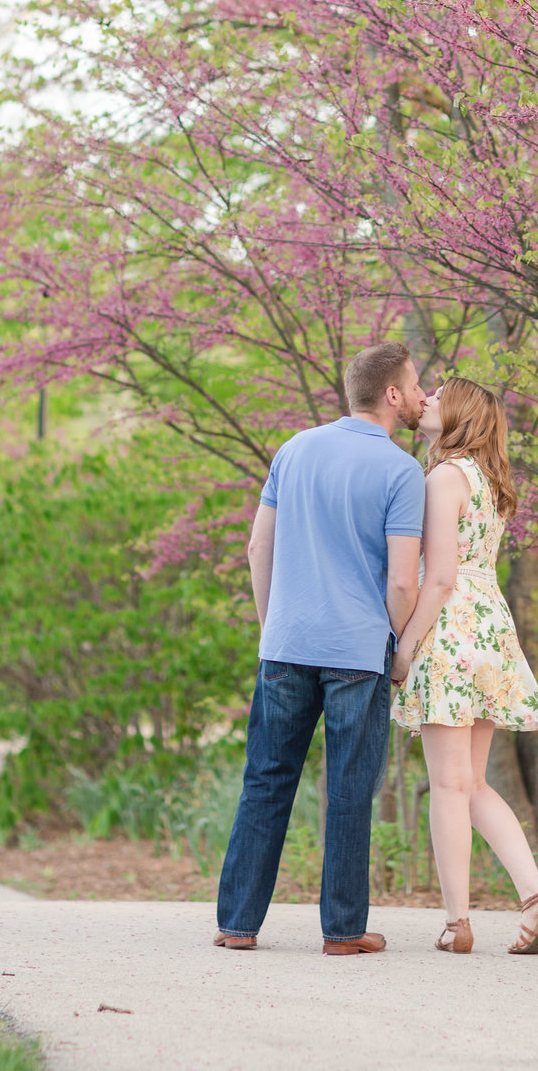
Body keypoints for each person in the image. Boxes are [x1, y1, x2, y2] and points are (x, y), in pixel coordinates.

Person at [214, 341, 427, 956]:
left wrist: (270, 625)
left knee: (266, 779)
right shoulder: (400, 471)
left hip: (285, 643)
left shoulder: (294, 449)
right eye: (414, 386)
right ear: (391, 394)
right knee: (349, 788)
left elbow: (259, 551)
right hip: (357, 652)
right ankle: (342, 931)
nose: (420, 396)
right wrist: (398, 641)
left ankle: (237, 923)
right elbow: (403, 580)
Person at [392, 376, 538, 955]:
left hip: (451, 629)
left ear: (460, 414)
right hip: (490, 630)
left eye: (438, 396)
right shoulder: (489, 481)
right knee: (470, 783)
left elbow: (437, 578)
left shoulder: (442, 477)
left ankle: (457, 922)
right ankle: (536, 895)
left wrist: (406, 645)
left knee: (446, 784)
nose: (428, 400)